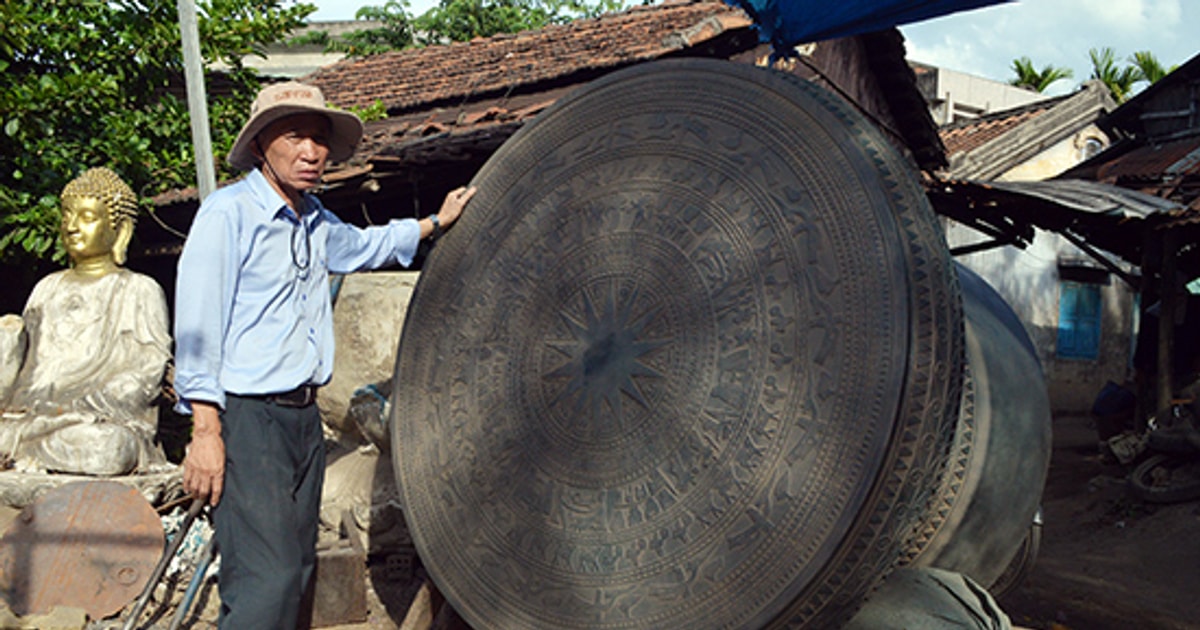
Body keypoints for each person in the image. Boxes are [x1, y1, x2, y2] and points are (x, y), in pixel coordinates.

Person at [173, 81, 474, 628]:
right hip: (248, 417)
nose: (312, 153)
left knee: (299, 571)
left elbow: (366, 246)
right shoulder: (228, 215)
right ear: (262, 144)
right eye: (295, 137)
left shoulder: (314, 220)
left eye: (319, 140)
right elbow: (196, 327)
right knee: (266, 580)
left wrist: (435, 222)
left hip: (302, 419)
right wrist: (205, 432)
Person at [0, 167, 172, 477]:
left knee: (108, 447)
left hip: (95, 419)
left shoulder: (137, 290)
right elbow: (27, 369)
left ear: (120, 231)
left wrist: (81, 403)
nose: (72, 227)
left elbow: (146, 373)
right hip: (31, 417)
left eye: (87, 218)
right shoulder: (47, 288)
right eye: (67, 216)